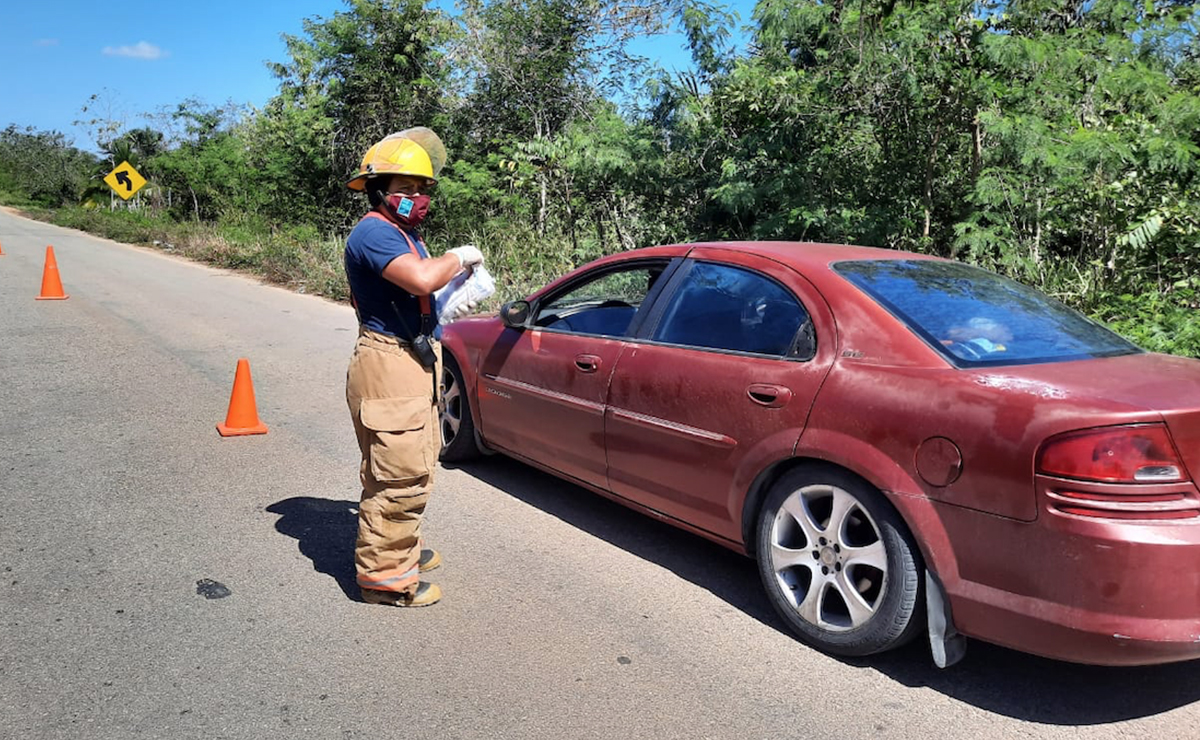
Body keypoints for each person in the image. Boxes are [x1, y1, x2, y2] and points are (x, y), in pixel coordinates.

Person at [343, 128, 483, 607]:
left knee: (413, 464)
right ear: (379, 189)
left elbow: (417, 291)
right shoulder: (374, 232)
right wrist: (457, 257)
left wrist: (449, 299)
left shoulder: (404, 232)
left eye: (423, 188)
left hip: (412, 358)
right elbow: (421, 278)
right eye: (406, 188)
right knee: (397, 476)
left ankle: (400, 549)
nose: (418, 197)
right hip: (389, 362)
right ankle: (385, 580)